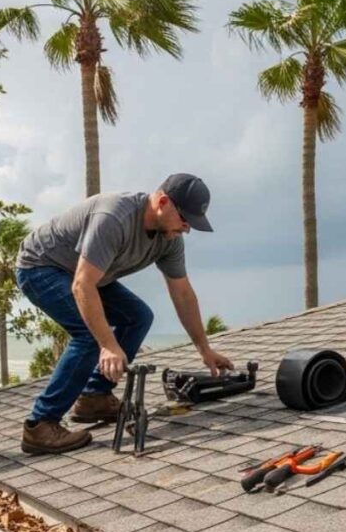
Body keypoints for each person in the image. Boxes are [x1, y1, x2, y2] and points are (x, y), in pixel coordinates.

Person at [15, 173, 234, 454]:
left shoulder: (169, 240)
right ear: (163, 202)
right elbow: (82, 284)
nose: (187, 228)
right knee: (89, 335)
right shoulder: (115, 218)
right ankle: (40, 425)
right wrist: (108, 344)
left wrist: (204, 349)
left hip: (89, 275)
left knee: (139, 316)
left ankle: (94, 397)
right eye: (184, 219)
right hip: (41, 267)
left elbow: (182, 293)